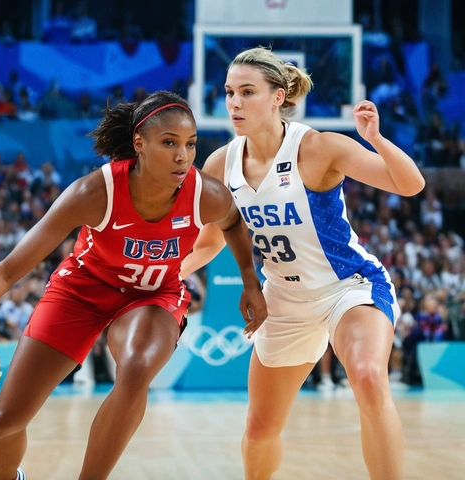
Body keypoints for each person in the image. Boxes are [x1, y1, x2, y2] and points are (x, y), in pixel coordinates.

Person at [0, 90, 267, 480]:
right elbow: (8, 271)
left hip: (154, 294)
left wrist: (251, 282)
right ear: (139, 144)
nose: (183, 156)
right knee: (6, 423)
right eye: (169, 143)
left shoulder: (205, 194)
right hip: (81, 290)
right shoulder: (93, 193)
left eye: (190, 144)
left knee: (137, 367)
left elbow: (233, 222)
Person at [180, 47, 425, 480]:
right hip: (284, 299)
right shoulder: (221, 162)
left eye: (247, 92)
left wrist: (377, 141)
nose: (234, 102)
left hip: (348, 287)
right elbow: (209, 242)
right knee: (259, 431)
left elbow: (410, 184)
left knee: (368, 376)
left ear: (278, 97)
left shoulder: (317, 147)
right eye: (230, 92)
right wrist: (159, 275)